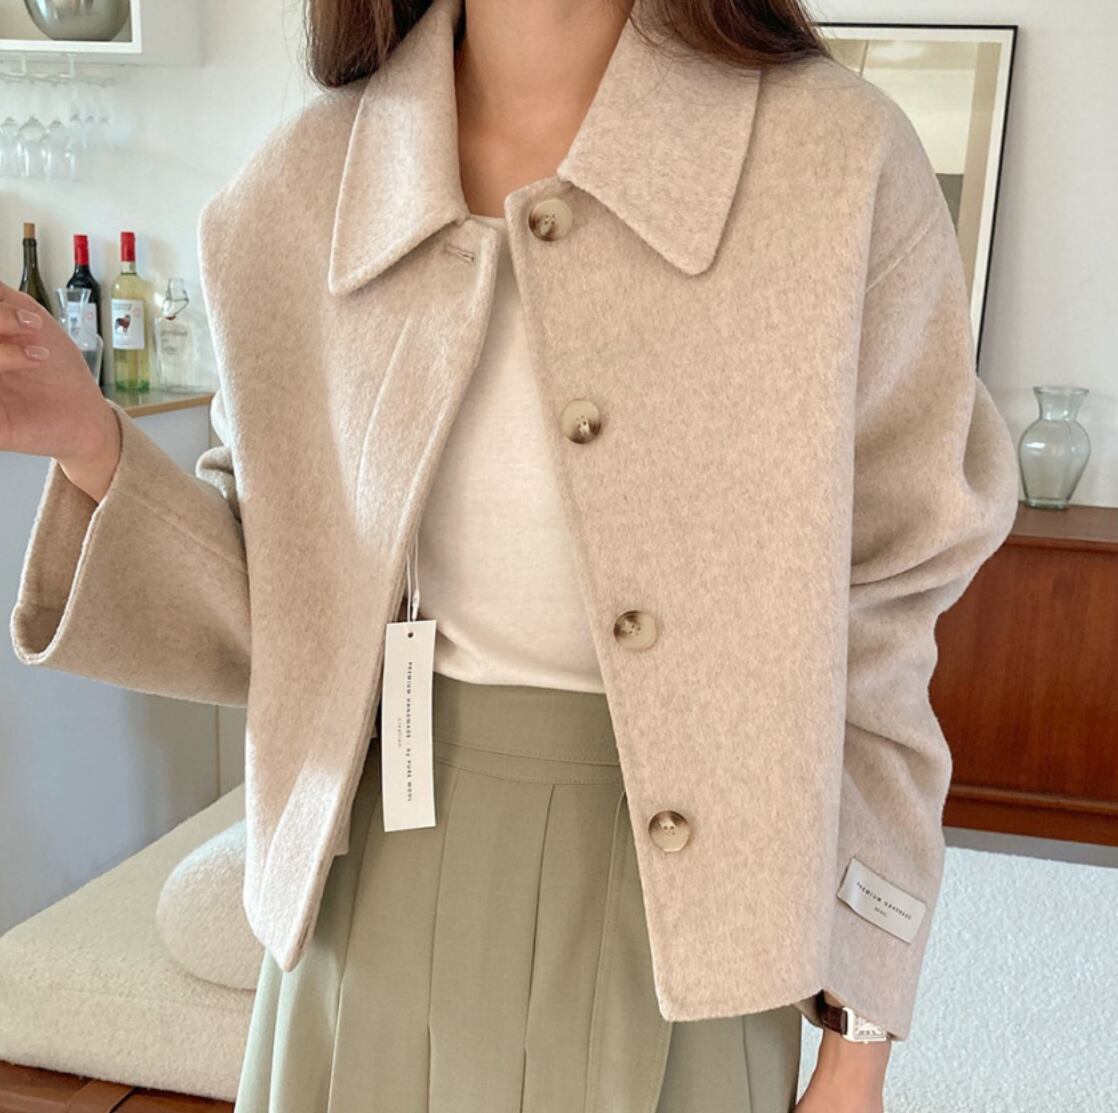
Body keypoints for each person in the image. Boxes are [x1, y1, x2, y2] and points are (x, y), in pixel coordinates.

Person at [2, 0, 1021, 1109]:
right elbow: (280, 613)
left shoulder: (837, 162)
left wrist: (857, 1045)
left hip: (697, 925)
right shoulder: (296, 189)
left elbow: (884, 612)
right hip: (366, 897)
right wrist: (90, 441)